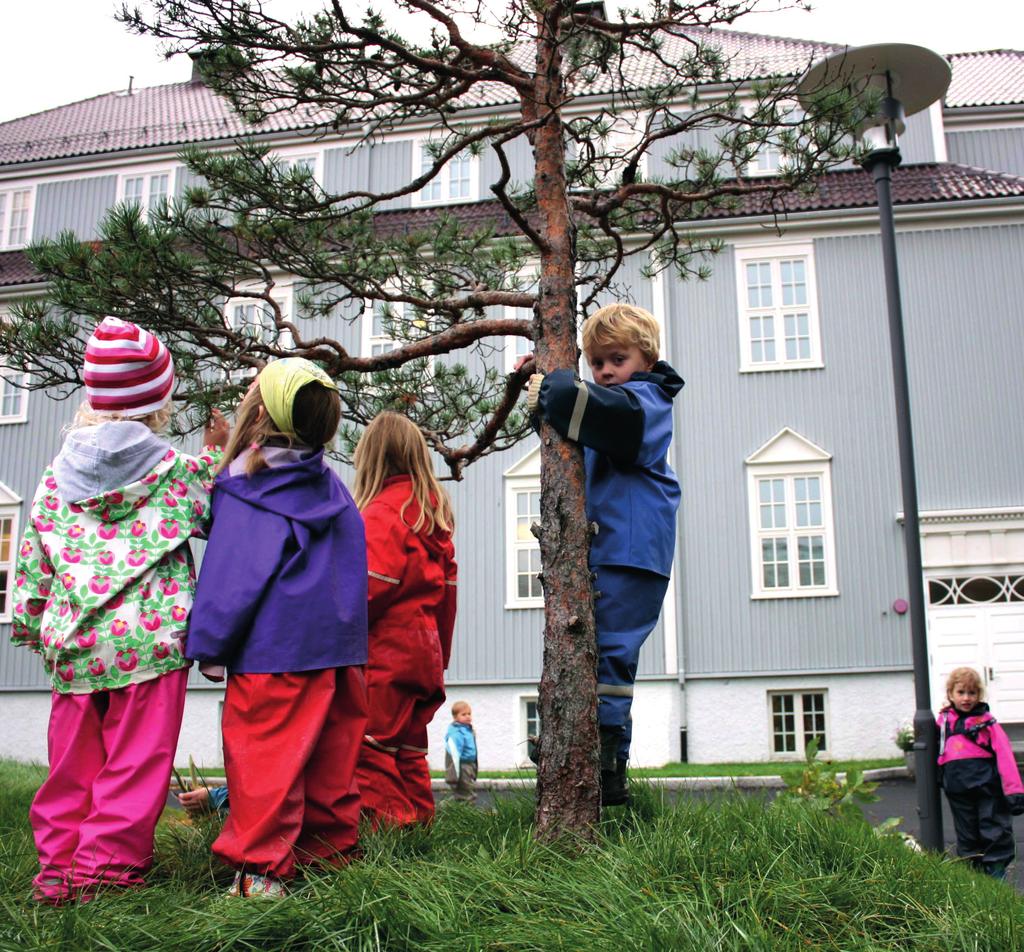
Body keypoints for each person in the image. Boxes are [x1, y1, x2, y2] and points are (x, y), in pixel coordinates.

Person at [10, 317, 227, 904]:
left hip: (74, 641)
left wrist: (35, 626)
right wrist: (219, 454)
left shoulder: (56, 478)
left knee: (72, 766)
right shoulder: (180, 475)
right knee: (133, 762)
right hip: (149, 642)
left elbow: (33, 563)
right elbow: (223, 507)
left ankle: (57, 873)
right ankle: (104, 872)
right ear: (160, 403)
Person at [185, 357, 368, 899]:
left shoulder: (248, 488)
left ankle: (261, 873)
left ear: (260, 411)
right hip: (336, 651)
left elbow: (232, 575)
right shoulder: (330, 487)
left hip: (273, 653)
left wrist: (212, 646)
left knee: (266, 764)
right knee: (330, 764)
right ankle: (330, 859)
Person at [521, 303, 683, 806]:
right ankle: (606, 765)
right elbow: (577, 433)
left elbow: (604, 417)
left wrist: (555, 386)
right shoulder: (621, 400)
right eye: (597, 363)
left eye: (618, 358)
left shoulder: (646, 400)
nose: (606, 371)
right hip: (617, 545)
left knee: (610, 652)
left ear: (648, 360)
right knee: (602, 655)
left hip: (630, 549)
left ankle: (601, 755)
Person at [353, 412, 457, 828]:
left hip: (387, 652)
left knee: (370, 746)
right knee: (410, 749)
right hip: (425, 651)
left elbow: (368, 590)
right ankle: (420, 825)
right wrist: (441, 658)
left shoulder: (381, 514)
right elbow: (448, 597)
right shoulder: (433, 517)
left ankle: (390, 830)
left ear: (371, 459)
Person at [937, 666, 1024, 879]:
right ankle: (974, 878)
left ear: (979, 695)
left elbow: (1005, 755)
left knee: (994, 829)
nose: (966, 698)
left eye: (972, 693)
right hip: (958, 789)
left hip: (987, 788)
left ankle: (996, 874)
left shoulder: (987, 723)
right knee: (967, 835)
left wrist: (1014, 791)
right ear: (950, 694)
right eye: (961, 692)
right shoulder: (943, 723)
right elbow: (937, 752)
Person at [444, 701, 478, 804]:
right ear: (455, 717)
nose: (468, 716)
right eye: (463, 714)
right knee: (466, 791)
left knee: (464, 790)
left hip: (469, 765)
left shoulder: (467, 730)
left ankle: (449, 809)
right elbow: (454, 754)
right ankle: (467, 812)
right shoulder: (457, 733)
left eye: (469, 713)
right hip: (462, 766)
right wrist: (453, 775)